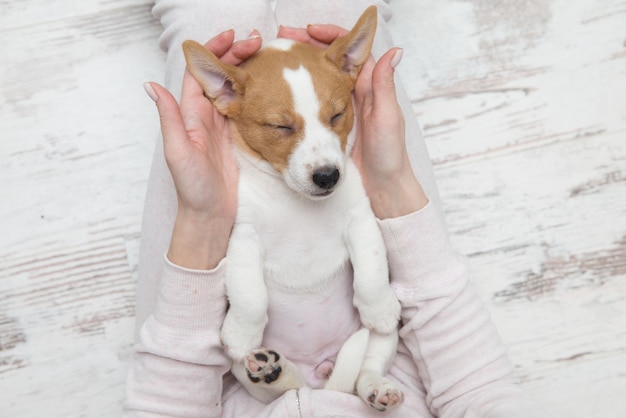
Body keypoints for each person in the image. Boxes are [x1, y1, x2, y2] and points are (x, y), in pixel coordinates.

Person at [124, 1, 550, 416]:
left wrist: (202, 221)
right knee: (338, 17)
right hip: (399, 371)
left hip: (229, 386)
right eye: (284, 127)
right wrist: (393, 185)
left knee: (216, 17)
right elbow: (481, 388)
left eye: (331, 121)